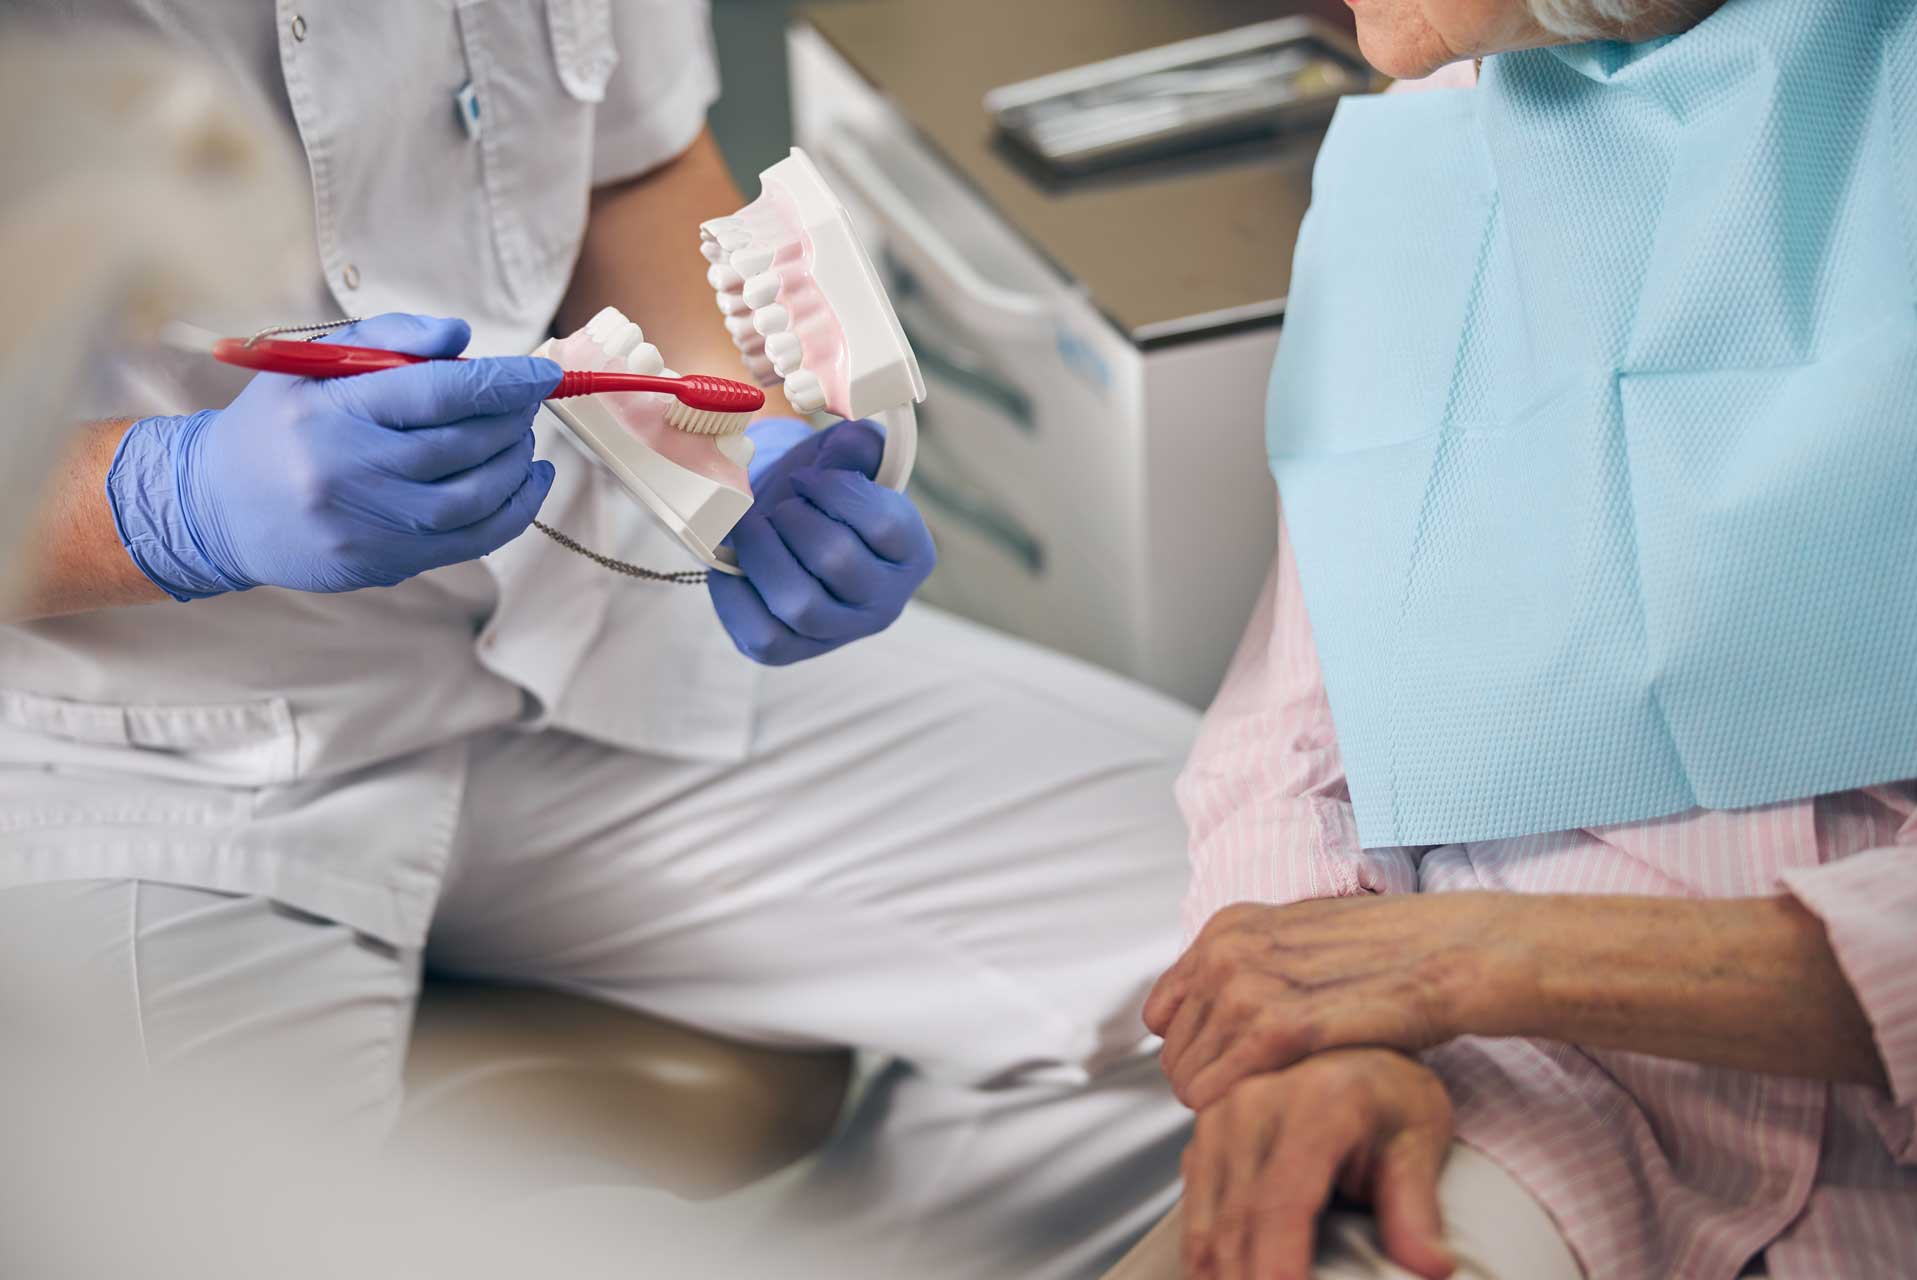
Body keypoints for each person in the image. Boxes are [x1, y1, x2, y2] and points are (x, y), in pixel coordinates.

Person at [0, 3, 1194, 1275]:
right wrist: (168, 501)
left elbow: (629, 163)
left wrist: (745, 446)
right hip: (127, 761)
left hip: (570, 636)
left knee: (1262, 946)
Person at [1135, 0, 1917, 1277]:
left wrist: (1482, 959)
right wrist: (1326, 1038)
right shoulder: (1433, 147)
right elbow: (1287, 745)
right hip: (1525, 1098)